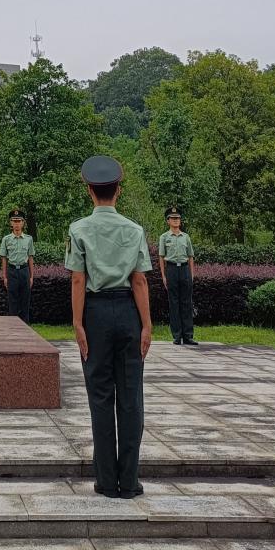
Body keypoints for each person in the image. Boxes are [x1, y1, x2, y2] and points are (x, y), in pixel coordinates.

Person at [66, 155, 152, 500]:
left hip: (96, 313)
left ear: (90, 191)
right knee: (130, 396)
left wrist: (78, 323)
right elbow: (140, 280)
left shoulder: (79, 229)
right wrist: (146, 325)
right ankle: (129, 481)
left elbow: (77, 279)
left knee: (100, 397)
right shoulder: (134, 230)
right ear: (118, 191)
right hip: (128, 312)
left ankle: (105, 479)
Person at [158, 208, 197, 346]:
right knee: (174, 303)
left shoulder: (186, 237)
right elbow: (161, 257)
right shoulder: (164, 237)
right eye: (173, 218)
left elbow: (191, 256)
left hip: (185, 269)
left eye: (178, 218)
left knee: (186, 303)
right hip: (172, 270)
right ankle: (176, 335)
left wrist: (191, 275)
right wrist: (163, 276)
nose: (176, 220)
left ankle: (188, 336)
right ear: (168, 221)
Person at [0, 209, 35, 324]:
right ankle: (13, 327)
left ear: (23, 223)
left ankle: (26, 327)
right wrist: (5, 277)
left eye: (19, 221)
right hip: (12, 271)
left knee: (25, 301)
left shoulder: (29, 239)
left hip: (24, 271)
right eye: (14, 221)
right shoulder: (6, 239)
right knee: (12, 301)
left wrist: (31, 277)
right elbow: (4, 258)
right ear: (11, 223)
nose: (17, 224)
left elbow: (30, 257)